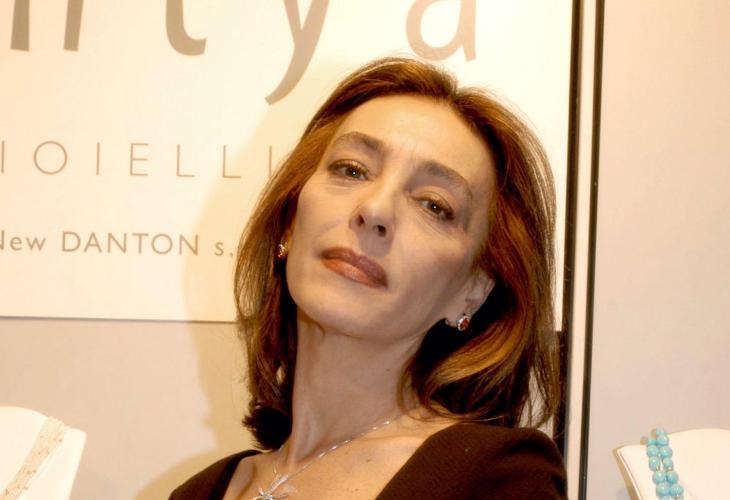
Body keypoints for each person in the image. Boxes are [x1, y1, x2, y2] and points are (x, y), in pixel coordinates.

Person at [171, 57, 566, 499]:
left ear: (472, 291)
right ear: (290, 221)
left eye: (433, 204)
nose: (375, 210)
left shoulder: (496, 480)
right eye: (352, 169)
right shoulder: (199, 493)